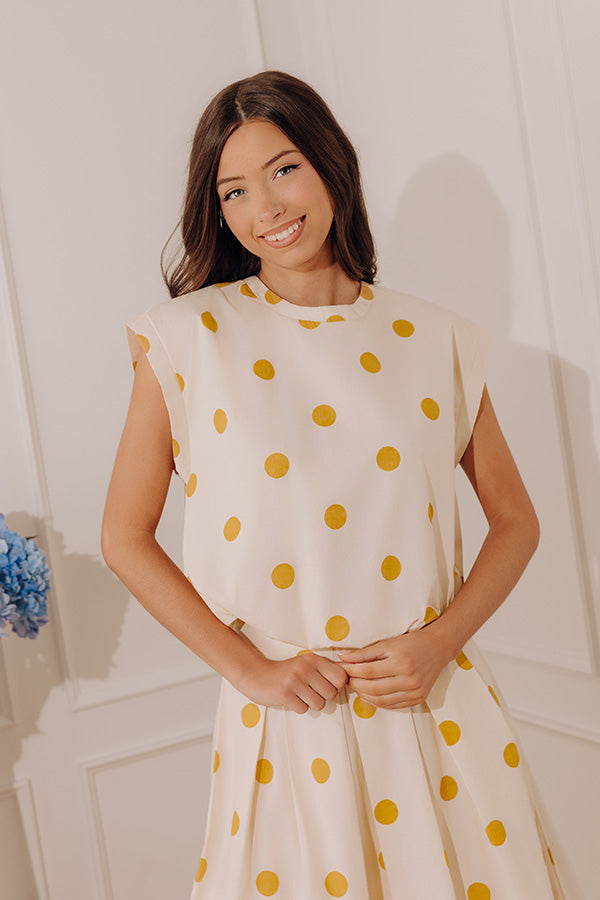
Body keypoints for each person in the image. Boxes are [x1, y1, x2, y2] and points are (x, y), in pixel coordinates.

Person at [102, 70, 573, 899]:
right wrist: (250, 671)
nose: (266, 207)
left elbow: (516, 522)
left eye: (284, 169)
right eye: (235, 191)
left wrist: (438, 644)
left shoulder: (434, 339)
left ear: (330, 163)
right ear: (218, 210)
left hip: (435, 708)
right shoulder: (186, 339)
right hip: (292, 723)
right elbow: (123, 538)